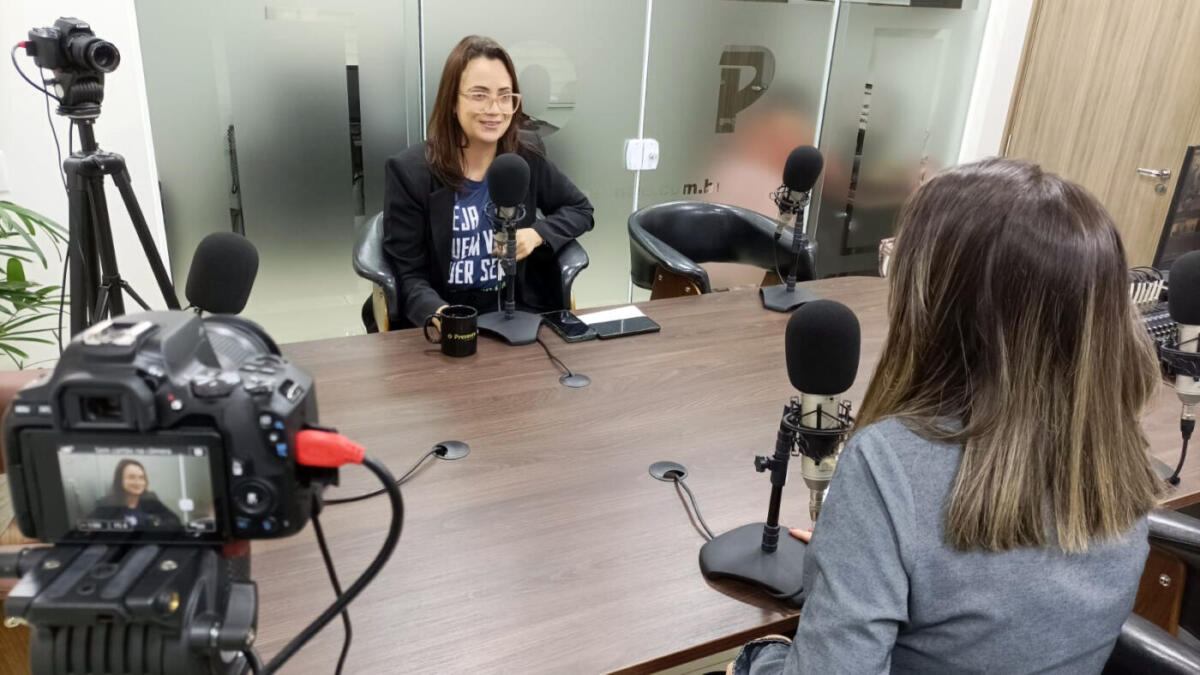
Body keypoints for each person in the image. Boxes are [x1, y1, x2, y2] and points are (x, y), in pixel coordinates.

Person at [732, 158, 1161, 673]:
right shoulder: (1118, 452)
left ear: (939, 300)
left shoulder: (890, 464)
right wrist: (858, 550)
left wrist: (762, 656)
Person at [383, 35, 594, 329]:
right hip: (445, 315)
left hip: (514, 311)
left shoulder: (524, 157)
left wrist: (536, 233)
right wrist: (444, 317)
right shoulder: (410, 171)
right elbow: (408, 275)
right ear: (452, 101)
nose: (495, 109)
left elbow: (580, 209)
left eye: (505, 96)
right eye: (479, 95)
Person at [88, 459, 182, 531]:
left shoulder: (151, 500)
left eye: (141, 478)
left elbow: (174, 521)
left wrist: (153, 527)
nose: (138, 482)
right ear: (120, 480)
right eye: (131, 477)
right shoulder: (107, 504)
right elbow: (88, 526)